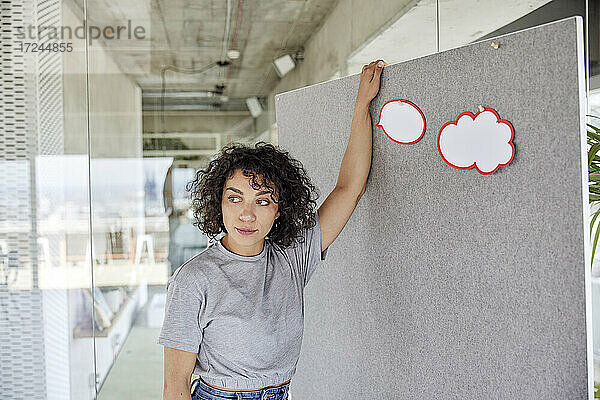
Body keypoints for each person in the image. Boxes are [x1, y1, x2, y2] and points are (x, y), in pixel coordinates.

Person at [158, 59, 386, 400]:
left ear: (280, 210)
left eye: (263, 201)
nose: (247, 214)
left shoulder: (292, 257)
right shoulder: (194, 279)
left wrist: (361, 106)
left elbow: (349, 187)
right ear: (218, 204)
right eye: (235, 199)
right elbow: (175, 386)